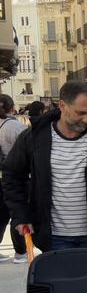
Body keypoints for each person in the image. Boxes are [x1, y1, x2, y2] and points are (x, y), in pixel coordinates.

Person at [1, 82, 87, 251]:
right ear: (63, 106)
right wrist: (21, 215)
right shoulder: (34, 138)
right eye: (80, 113)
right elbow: (12, 177)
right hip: (51, 237)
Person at [0, 94, 28, 262]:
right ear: (11, 108)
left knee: (1, 214)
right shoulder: (17, 127)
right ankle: (20, 252)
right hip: (15, 177)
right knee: (17, 211)